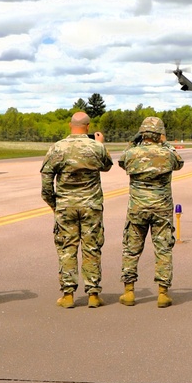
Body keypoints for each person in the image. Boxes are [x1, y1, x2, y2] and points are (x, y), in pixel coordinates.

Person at [41, 112, 113, 309]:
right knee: (92, 248)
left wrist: (55, 205)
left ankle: (68, 294)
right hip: (91, 206)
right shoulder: (95, 147)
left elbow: (46, 181)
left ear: (69, 125)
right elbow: (107, 166)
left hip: (66, 206)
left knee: (67, 248)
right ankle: (93, 294)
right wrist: (101, 144)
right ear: (88, 127)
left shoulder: (57, 148)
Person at [117, 117, 184, 308]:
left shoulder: (132, 153)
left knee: (131, 248)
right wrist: (165, 143)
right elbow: (179, 163)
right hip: (162, 209)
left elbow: (122, 160)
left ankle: (129, 291)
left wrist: (133, 142)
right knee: (163, 249)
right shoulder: (167, 153)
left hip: (137, 208)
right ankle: (163, 293)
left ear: (142, 133)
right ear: (160, 134)